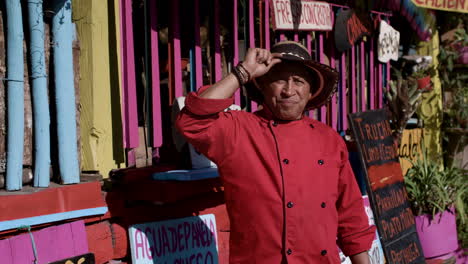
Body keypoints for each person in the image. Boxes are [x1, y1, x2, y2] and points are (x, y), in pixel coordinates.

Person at [176, 41, 375, 264]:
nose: (289, 90)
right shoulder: (238, 130)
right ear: (262, 85)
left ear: (310, 92)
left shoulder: (328, 140)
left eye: (298, 81)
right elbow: (193, 121)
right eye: (279, 79)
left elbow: (350, 215)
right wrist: (243, 72)